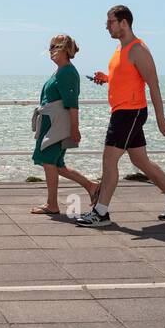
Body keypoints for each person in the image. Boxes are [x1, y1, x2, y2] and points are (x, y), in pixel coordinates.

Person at [76, 5, 165, 226]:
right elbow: (127, 78)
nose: (106, 26)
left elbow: (153, 84)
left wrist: (161, 117)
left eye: (110, 22)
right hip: (123, 110)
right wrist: (107, 78)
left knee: (109, 160)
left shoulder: (138, 50)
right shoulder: (121, 49)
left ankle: (101, 213)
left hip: (130, 112)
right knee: (141, 161)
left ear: (124, 23)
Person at [30, 35, 99, 215]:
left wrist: (74, 129)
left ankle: (52, 204)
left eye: (55, 46)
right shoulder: (60, 70)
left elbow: (72, 103)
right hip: (51, 123)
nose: (51, 50)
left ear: (64, 49)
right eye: (50, 46)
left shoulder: (67, 71)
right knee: (57, 164)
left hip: (56, 125)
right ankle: (92, 187)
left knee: (48, 161)